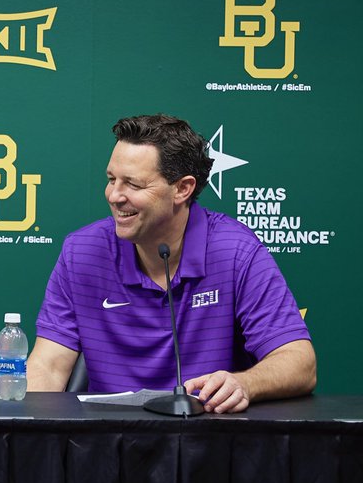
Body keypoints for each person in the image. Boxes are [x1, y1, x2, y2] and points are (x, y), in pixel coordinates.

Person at [27, 114, 315, 413]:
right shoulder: (82, 251)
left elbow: (299, 362)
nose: (114, 195)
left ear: (182, 189)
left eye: (133, 184)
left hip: (208, 441)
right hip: (108, 444)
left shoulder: (236, 251)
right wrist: (19, 420)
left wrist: (246, 383)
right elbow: (48, 365)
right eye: (112, 179)